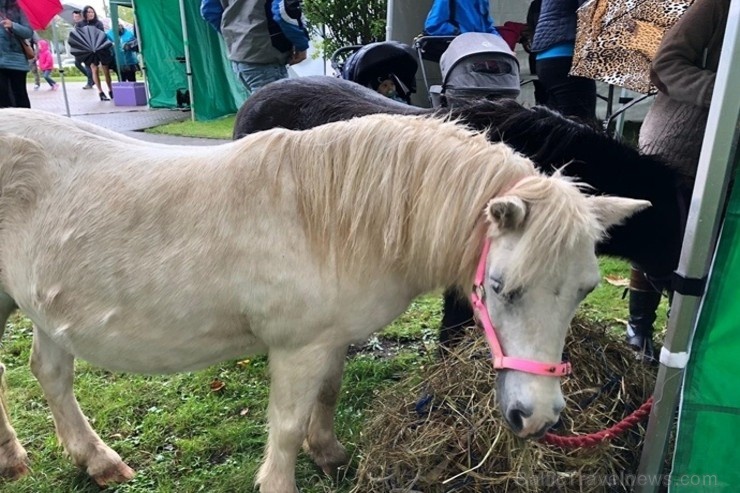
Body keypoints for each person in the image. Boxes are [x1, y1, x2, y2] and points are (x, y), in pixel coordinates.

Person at [625, 0, 731, 362]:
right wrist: (726, 92)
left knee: (706, 252)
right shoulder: (717, 5)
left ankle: (680, 334)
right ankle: (638, 330)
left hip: (727, 157)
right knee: (661, 238)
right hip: (678, 143)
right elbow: (666, 65)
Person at [200, 0, 309, 94]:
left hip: (242, 59)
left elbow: (209, 10)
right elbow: (285, 11)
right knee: (273, 115)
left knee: (264, 113)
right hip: (265, 57)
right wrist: (301, 45)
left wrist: (236, 37)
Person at [530, 0, 596, 120]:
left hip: (545, 57)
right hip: (567, 56)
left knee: (556, 124)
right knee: (580, 124)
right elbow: (590, 11)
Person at [76, 5, 113, 101]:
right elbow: (79, 37)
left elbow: (101, 34)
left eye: (92, 12)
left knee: (106, 70)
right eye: (88, 12)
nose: (90, 14)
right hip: (89, 51)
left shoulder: (98, 23)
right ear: (85, 13)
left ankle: (110, 90)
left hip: (100, 48)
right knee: (94, 70)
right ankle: (100, 92)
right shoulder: (80, 24)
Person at [0, 0, 33, 108]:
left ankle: (26, 123)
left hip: (16, 61)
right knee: (3, 101)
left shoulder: (18, 9)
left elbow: (28, 32)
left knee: (20, 98)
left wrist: (12, 25)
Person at [71, 9, 94, 89]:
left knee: (87, 65)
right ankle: (91, 80)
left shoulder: (83, 24)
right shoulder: (76, 25)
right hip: (79, 48)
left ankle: (90, 82)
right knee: (77, 63)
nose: (75, 18)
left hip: (85, 48)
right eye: (74, 16)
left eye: (77, 16)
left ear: (80, 16)